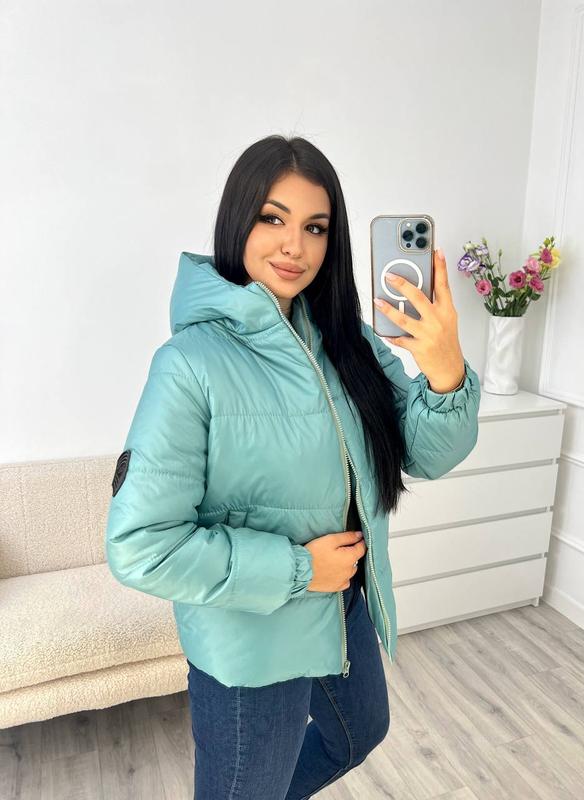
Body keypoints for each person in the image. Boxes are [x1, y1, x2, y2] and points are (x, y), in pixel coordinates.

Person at [105, 134, 481, 799]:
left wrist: (445, 370)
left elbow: (427, 453)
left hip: (344, 604)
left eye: (315, 227)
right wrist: (302, 570)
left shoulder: (348, 341)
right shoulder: (189, 364)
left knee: (359, 732)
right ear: (237, 220)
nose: (294, 246)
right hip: (251, 642)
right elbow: (139, 546)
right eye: (272, 218)